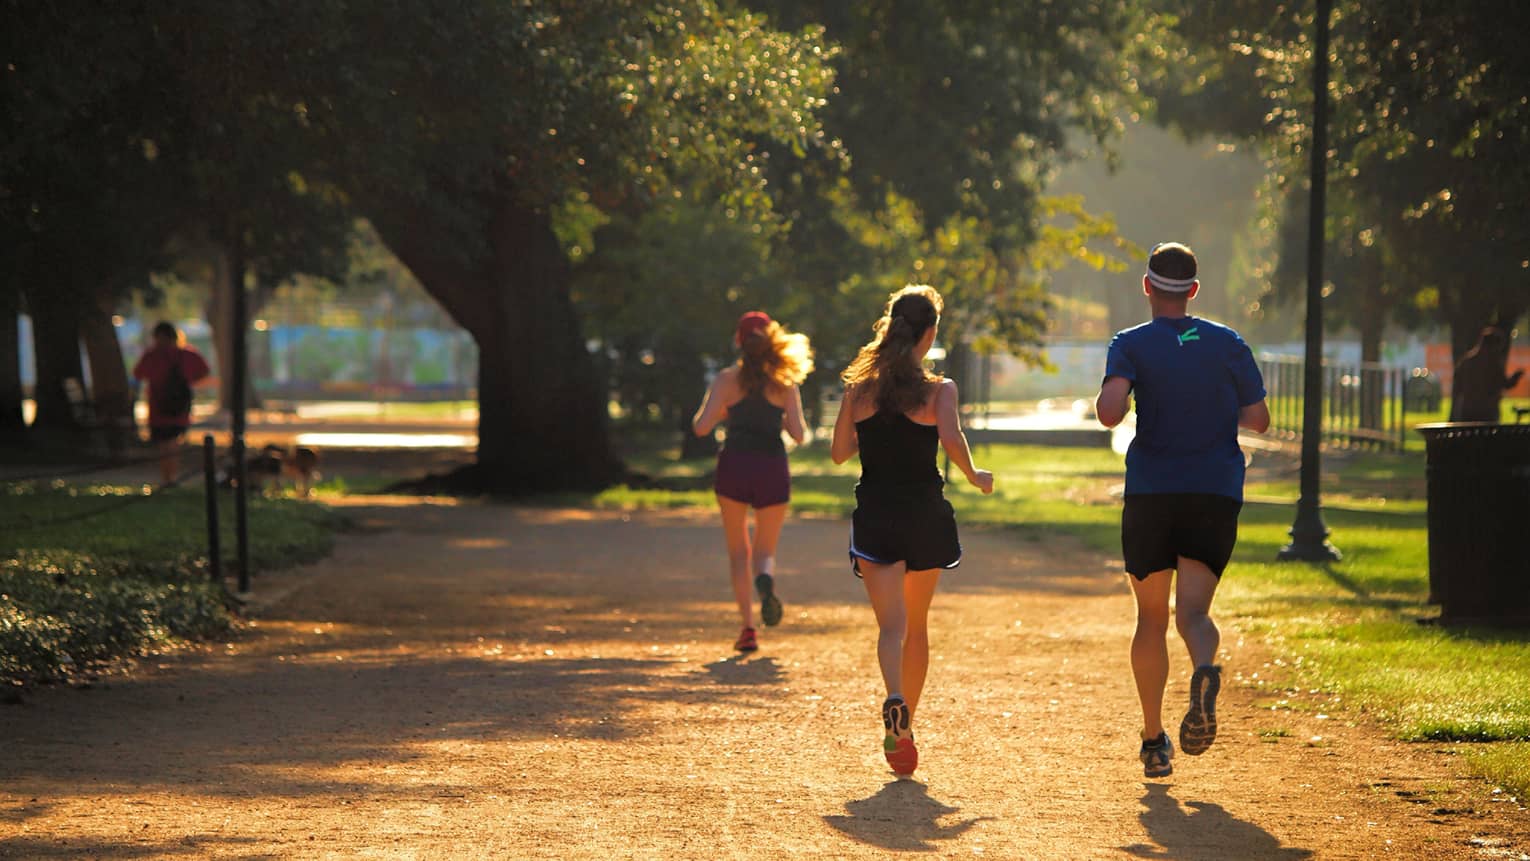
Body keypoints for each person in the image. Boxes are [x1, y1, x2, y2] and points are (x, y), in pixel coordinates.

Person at [1094, 242, 1269, 779]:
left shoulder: (1131, 343)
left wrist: (1133, 392)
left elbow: (1108, 413)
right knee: (1193, 613)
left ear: (1147, 287)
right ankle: (1205, 668)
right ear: (1192, 291)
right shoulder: (1227, 343)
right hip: (1214, 491)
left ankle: (1153, 742)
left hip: (1152, 492)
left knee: (1150, 618)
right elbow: (1259, 419)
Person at [830, 285, 993, 778]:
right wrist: (973, 475)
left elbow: (839, 452)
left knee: (891, 628)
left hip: (876, 515)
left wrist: (869, 426)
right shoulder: (940, 391)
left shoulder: (859, 391)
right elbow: (953, 438)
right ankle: (904, 726)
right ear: (930, 334)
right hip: (924, 515)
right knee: (917, 627)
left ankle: (894, 697)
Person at [693, 311, 813, 654]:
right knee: (764, 550)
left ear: (738, 342)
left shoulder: (726, 380)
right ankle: (766, 580)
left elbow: (701, 427)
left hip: (734, 465)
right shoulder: (784, 382)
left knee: (737, 551)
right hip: (772, 467)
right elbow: (799, 434)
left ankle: (747, 628)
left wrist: (725, 412)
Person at [132, 321, 211, 487]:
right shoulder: (186, 355)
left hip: (158, 407)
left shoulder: (152, 356)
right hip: (179, 408)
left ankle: (166, 477)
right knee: (173, 442)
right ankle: (171, 476)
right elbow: (203, 371)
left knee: (164, 444)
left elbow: (138, 373)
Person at [1451, 326, 1525, 422]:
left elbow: (1457, 384)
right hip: (1488, 411)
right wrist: (1516, 376)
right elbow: (1504, 384)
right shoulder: (1493, 364)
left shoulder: (1467, 361)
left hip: (1468, 409)